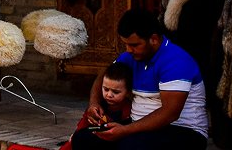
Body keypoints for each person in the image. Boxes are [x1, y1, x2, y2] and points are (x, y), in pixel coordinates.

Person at [72, 10, 209, 150]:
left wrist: (125, 130)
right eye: (126, 44)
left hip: (184, 131)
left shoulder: (176, 61)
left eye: (134, 45)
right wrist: (94, 104)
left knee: (129, 146)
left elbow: (170, 113)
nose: (128, 50)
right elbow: (102, 77)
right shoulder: (130, 57)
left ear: (154, 39)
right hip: (139, 127)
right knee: (83, 139)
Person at [61, 62, 135, 150]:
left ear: (128, 92)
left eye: (115, 92)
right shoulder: (98, 107)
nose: (109, 95)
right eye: (106, 89)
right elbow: (84, 124)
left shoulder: (129, 110)